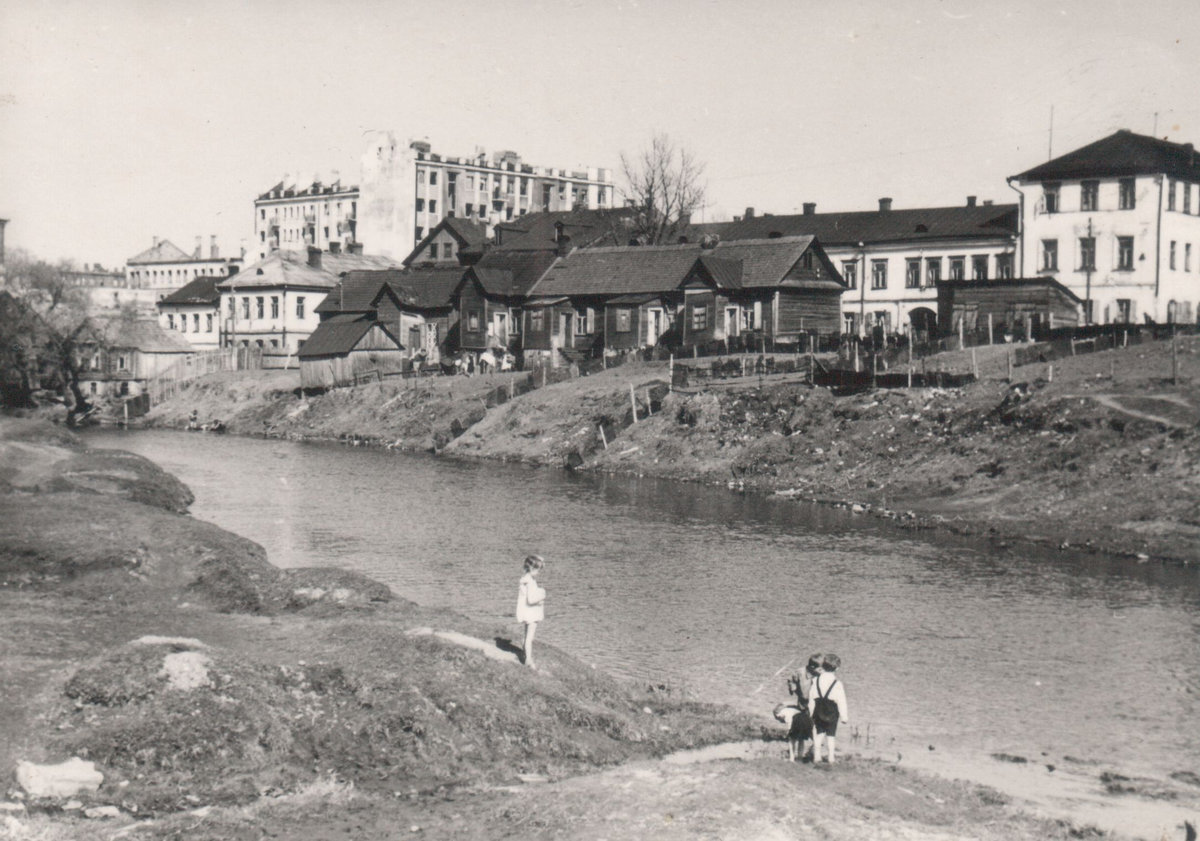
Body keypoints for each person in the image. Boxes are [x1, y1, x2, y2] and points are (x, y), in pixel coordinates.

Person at [808, 653, 849, 764]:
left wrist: (810, 712)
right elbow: (841, 701)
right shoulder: (837, 683)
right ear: (837, 668)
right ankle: (831, 758)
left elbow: (812, 697)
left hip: (818, 708)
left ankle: (817, 757)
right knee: (831, 735)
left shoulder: (815, 680)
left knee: (818, 734)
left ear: (823, 666)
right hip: (832, 711)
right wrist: (844, 717)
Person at [515, 554, 546, 668]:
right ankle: (528, 660)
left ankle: (525, 653)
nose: (539, 573)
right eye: (538, 570)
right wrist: (542, 595)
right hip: (532, 613)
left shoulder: (526, 579)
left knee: (527, 635)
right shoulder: (530, 582)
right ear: (532, 569)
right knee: (529, 638)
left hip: (527, 612)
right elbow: (531, 599)